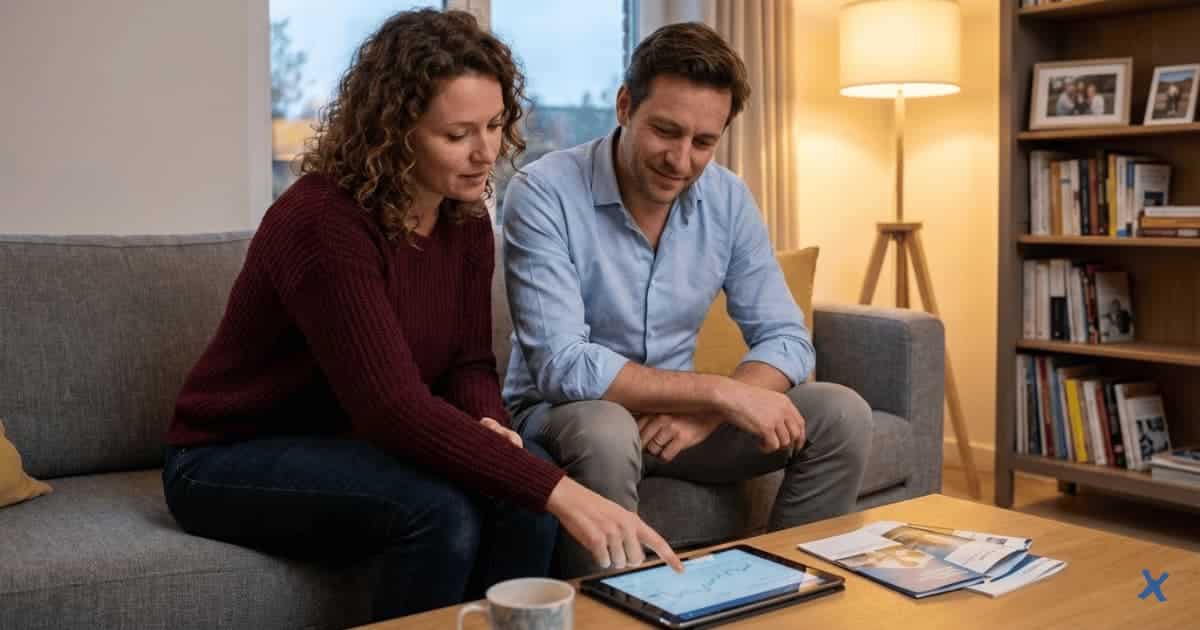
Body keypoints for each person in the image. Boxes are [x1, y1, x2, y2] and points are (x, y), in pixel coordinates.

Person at [161, 9, 679, 622]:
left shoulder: (463, 219)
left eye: (493, 124)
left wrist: (491, 422)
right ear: (394, 130)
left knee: (522, 496)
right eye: (457, 135)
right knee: (443, 511)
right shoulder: (322, 223)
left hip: (348, 442)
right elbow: (392, 409)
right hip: (225, 457)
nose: (485, 151)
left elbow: (468, 362)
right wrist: (562, 491)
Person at [499, 22, 873, 578]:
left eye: (703, 142)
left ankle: (780, 593)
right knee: (606, 427)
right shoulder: (543, 191)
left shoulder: (727, 198)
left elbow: (787, 337)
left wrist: (704, 413)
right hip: (567, 420)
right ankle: (613, 610)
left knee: (841, 414)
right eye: (665, 132)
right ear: (625, 106)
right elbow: (562, 364)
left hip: (676, 426)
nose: (681, 159)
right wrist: (717, 395)